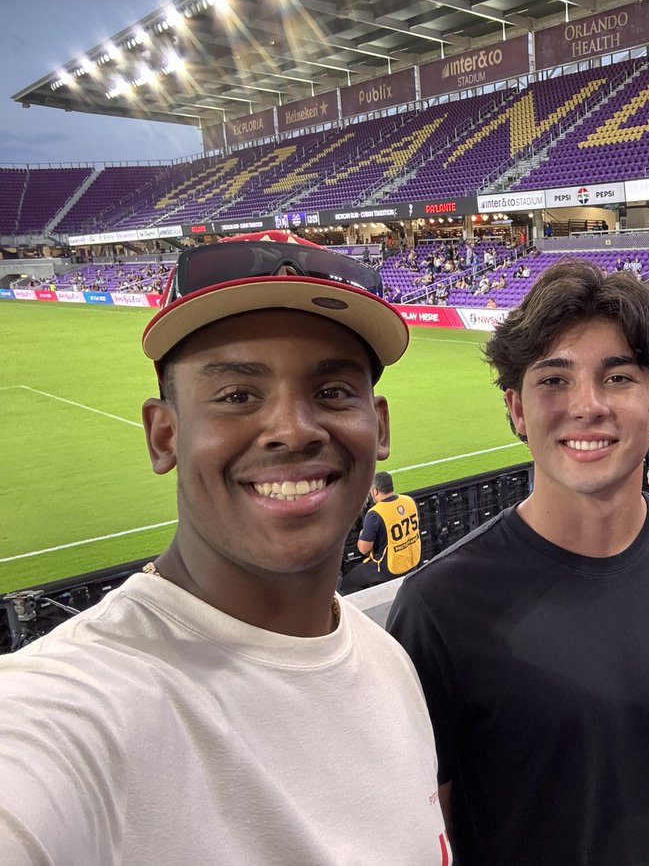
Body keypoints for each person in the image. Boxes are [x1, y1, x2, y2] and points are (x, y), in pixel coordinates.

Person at [0, 232, 446, 862]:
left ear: (381, 428)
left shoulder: (390, 664)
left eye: (332, 392)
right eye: (238, 396)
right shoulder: (64, 715)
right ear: (164, 435)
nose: (292, 429)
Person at [386, 260, 649, 866]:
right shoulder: (440, 607)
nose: (588, 405)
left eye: (617, 378)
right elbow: (428, 823)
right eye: (554, 381)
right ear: (516, 409)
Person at [346, 471, 422, 591]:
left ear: (375, 491)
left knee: (347, 583)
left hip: (389, 568)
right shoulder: (409, 501)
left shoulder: (375, 513)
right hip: (413, 562)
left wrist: (362, 536)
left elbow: (363, 549)